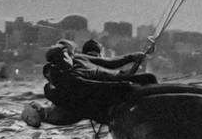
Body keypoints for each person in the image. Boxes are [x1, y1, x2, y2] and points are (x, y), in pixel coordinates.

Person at [21, 39, 157, 128]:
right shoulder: (66, 79)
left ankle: (157, 117)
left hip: (112, 86)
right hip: (93, 102)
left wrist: (132, 57)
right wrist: (124, 85)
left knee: (149, 78)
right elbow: (92, 87)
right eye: (60, 58)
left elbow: (109, 63)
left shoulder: (79, 58)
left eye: (66, 54)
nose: (66, 57)